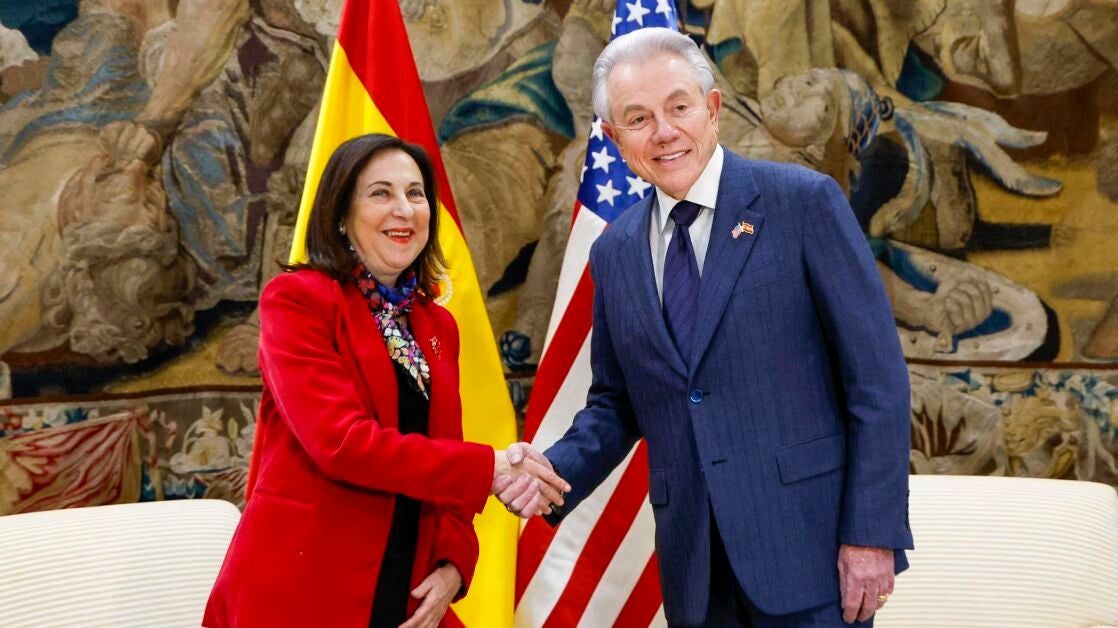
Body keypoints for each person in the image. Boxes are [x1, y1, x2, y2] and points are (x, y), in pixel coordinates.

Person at [500, 28, 913, 626]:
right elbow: (617, 403)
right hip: (695, 567)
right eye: (638, 119)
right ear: (614, 139)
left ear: (712, 108)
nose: (664, 132)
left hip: (812, 554)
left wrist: (871, 535)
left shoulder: (802, 203)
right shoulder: (614, 251)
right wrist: (549, 475)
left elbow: (877, 381)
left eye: (679, 107)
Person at [203, 133, 569, 627]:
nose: (404, 209)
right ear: (340, 214)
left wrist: (454, 565)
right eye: (381, 193)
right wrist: (492, 467)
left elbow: (447, 460)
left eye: (415, 194)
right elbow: (341, 443)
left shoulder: (438, 325)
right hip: (304, 586)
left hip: (407, 593)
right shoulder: (297, 301)